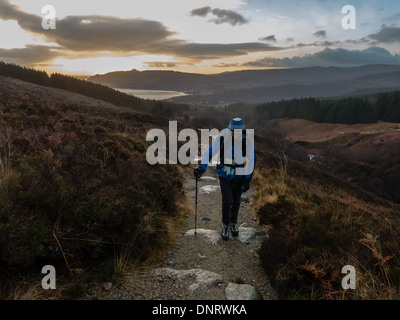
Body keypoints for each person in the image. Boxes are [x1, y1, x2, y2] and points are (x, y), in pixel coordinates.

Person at [194, 118, 255, 240]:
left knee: (236, 201)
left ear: (242, 130)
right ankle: (225, 225)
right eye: (234, 131)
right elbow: (209, 153)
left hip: (239, 175)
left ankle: (233, 223)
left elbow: (251, 160)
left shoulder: (247, 141)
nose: (236, 134)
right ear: (230, 130)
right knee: (227, 201)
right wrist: (202, 167)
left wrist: (247, 179)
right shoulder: (222, 139)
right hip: (224, 174)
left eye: (239, 131)